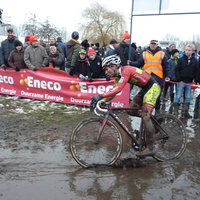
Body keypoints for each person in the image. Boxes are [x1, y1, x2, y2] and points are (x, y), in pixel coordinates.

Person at [90, 55, 161, 157]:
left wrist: (100, 96)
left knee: (145, 116)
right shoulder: (118, 77)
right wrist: (101, 100)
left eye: (106, 69)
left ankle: (150, 147)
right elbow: (113, 92)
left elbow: (118, 89)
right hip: (144, 89)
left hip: (152, 88)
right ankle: (153, 120)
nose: (106, 72)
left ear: (114, 66)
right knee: (130, 110)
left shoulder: (126, 70)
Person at [128, 39, 171, 114]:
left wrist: (168, 76)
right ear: (150, 44)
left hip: (158, 78)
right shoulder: (144, 53)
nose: (153, 45)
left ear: (157, 45)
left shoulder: (162, 54)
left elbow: (166, 66)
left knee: (157, 96)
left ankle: (157, 112)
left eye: (154, 44)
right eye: (152, 44)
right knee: (145, 94)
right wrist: (131, 63)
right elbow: (139, 63)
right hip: (146, 78)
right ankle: (144, 110)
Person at [174, 44, 199, 117]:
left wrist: (196, 81)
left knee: (188, 96)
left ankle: (185, 111)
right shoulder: (180, 60)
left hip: (189, 81)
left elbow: (197, 71)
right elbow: (177, 69)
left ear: (192, 52)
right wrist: (179, 79)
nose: (187, 52)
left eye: (189, 50)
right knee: (178, 96)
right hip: (181, 81)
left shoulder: (195, 61)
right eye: (186, 50)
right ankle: (175, 112)